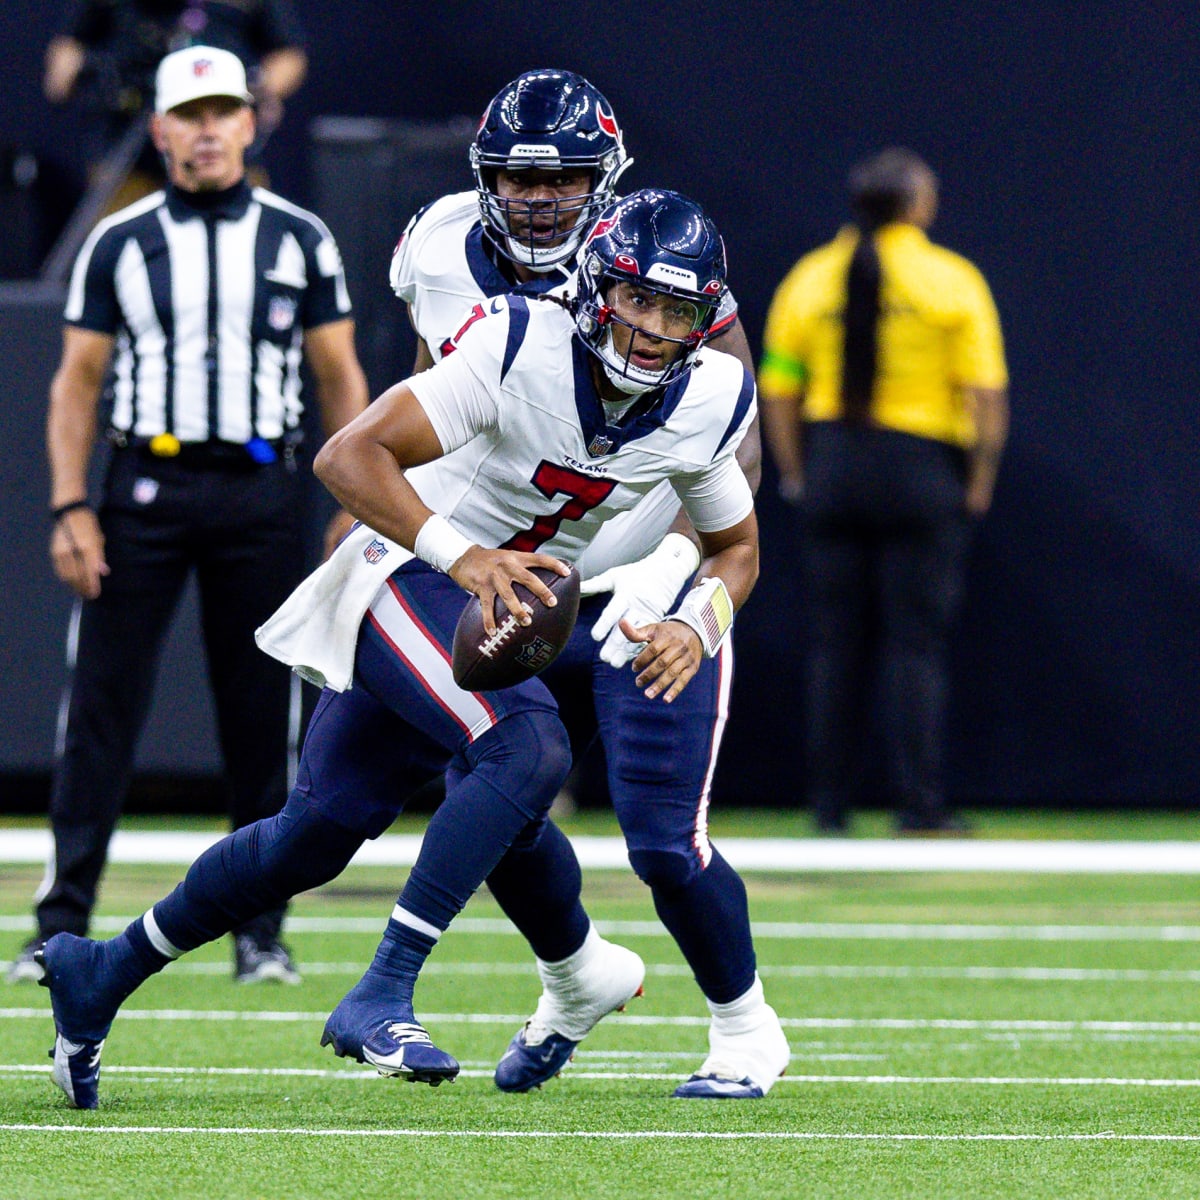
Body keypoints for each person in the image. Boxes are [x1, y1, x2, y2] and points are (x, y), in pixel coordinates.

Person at [35, 187, 789, 1111]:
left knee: (311, 834)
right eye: (637, 299)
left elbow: (737, 546)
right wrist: (463, 555)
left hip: (492, 597)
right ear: (597, 289)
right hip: (406, 566)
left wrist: (698, 620)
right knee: (527, 745)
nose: (651, 330)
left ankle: (98, 974)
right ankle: (385, 988)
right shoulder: (517, 342)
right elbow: (347, 457)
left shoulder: (708, 396)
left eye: (677, 312)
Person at [391, 68, 784, 1098]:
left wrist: (683, 589)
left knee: (662, 836)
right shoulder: (439, 251)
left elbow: (730, 456)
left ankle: (746, 1031)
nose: (541, 196)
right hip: (504, 573)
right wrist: (434, 542)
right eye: (520, 177)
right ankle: (575, 980)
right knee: (493, 789)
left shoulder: (672, 279)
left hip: (634, 575)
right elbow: (424, 409)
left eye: (567, 175)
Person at [7, 45, 369, 987]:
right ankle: (59, 921)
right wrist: (69, 504)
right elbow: (73, 386)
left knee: (261, 716)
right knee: (99, 711)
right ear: (160, 130)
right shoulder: (118, 240)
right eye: (189, 115)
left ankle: (260, 932)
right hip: (145, 491)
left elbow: (341, 380)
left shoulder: (300, 238)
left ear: (252, 123)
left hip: (261, 489)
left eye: (222, 113)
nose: (207, 131)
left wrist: (351, 504)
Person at [758, 147, 1009, 835]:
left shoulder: (810, 280)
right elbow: (986, 393)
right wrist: (980, 478)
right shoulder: (951, 281)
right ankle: (919, 804)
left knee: (836, 645)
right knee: (915, 645)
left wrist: (797, 473)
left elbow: (777, 386)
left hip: (834, 463)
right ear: (918, 205)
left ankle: (829, 807)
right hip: (922, 469)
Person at [44, 0, 307, 212]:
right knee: (121, 234)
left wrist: (260, 87)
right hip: (128, 142)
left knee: (251, 233)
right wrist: (74, 71)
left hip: (221, 141)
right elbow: (67, 49)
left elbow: (288, 54)